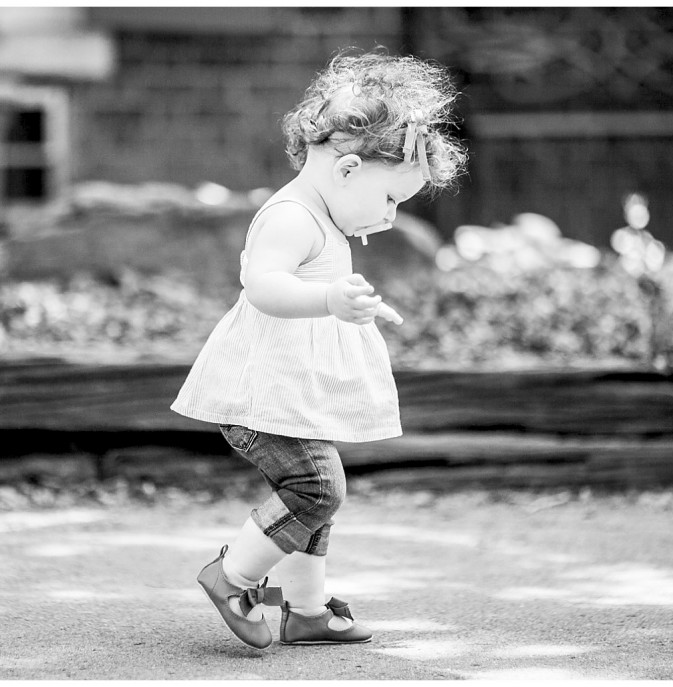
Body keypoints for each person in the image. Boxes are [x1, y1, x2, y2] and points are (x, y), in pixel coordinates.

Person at [171, 49, 467, 649]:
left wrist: (354, 306)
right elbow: (264, 288)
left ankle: (305, 609)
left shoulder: (325, 217)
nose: (387, 219)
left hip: (288, 392)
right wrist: (331, 300)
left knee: (314, 497)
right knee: (317, 489)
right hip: (257, 394)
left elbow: (318, 288)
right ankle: (232, 576)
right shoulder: (290, 216)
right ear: (349, 169)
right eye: (390, 200)